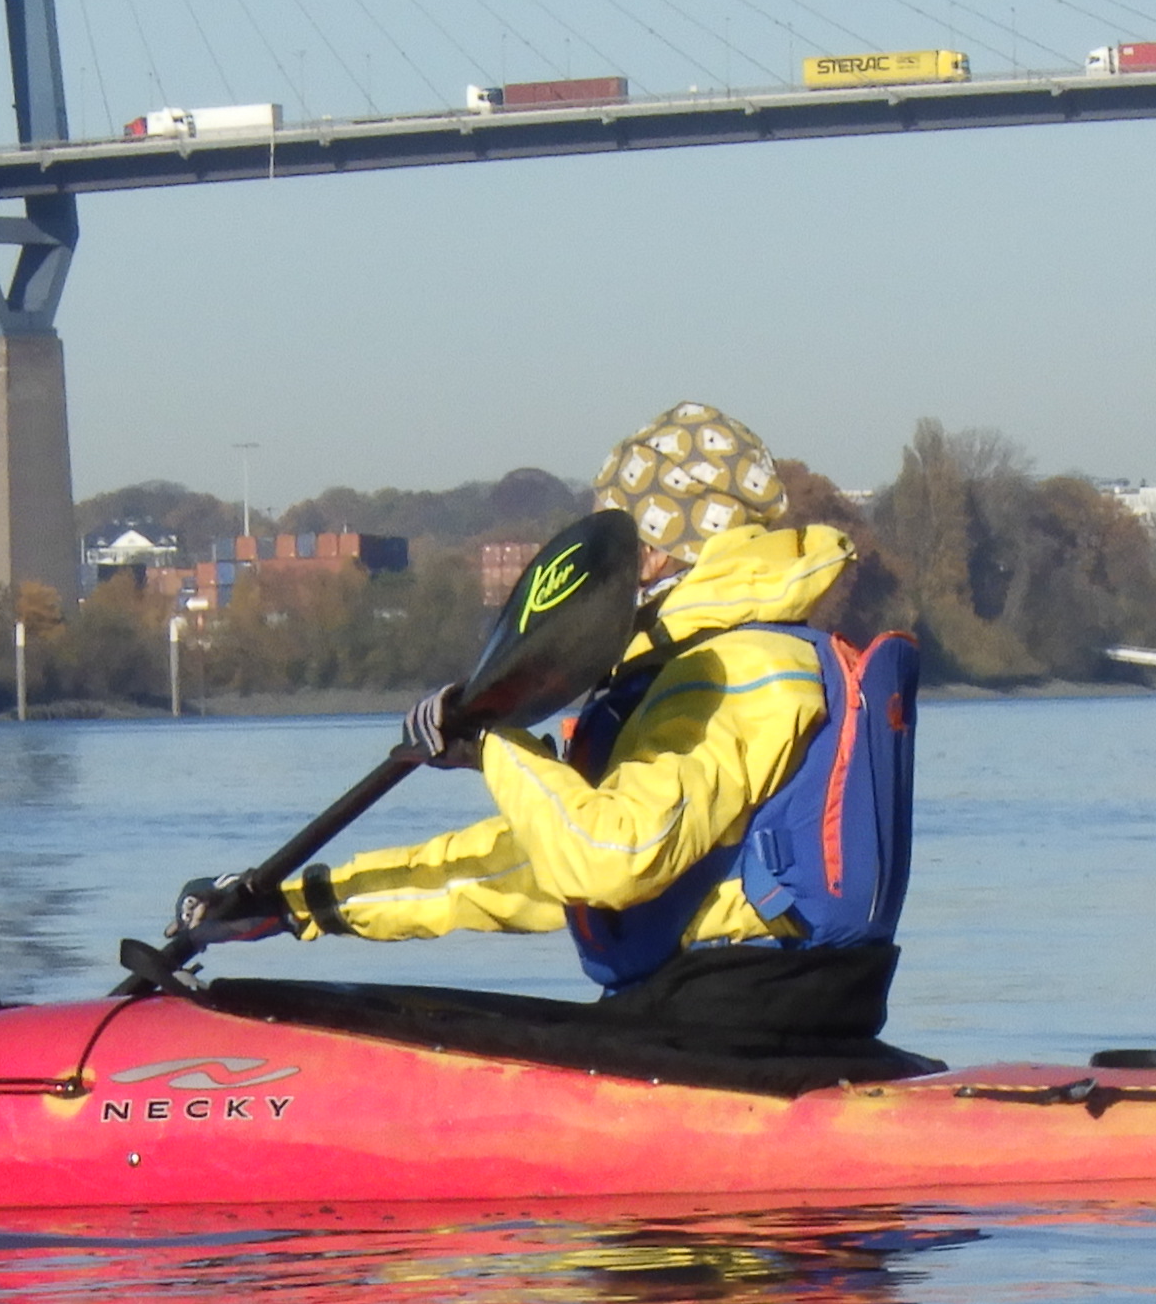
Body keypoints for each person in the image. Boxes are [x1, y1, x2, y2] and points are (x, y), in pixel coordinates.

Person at [177, 401, 923, 1058]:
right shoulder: (704, 668)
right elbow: (536, 871)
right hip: (723, 1022)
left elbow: (611, 857)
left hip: (739, 1024)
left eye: (629, 541)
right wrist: (306, 905)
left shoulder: (740, 672)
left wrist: (497, 746)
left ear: (664, 550)